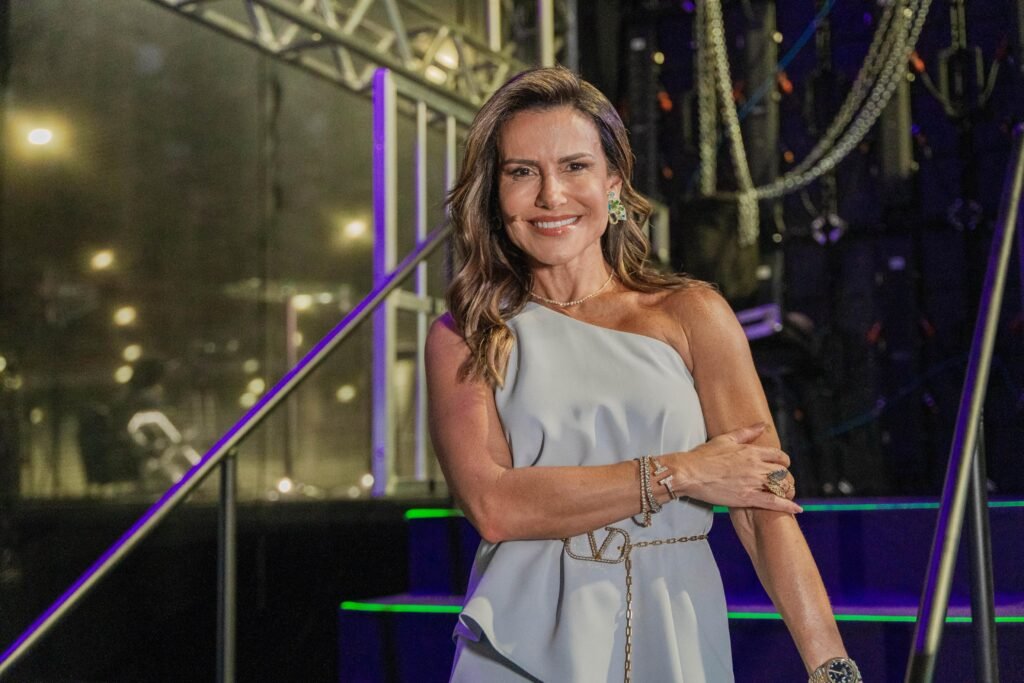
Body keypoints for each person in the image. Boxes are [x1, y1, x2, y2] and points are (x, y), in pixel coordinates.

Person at [426, 66, 859, 683]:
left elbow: (764, 507)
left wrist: (833, 669)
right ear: (495, 195)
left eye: (575, 167)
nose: (551, 196)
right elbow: (494, 506)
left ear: (613, 185)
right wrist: (682, 471)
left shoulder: (692, 314)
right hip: (520, 639)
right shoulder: (465, 333)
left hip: (672, 621)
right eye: (522, 172)